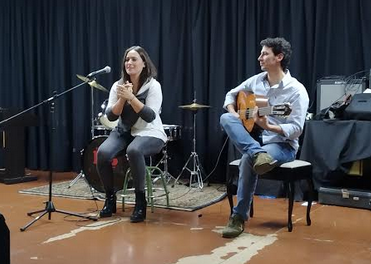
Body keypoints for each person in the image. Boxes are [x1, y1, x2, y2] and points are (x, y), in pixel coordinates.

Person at [219, 37, 309, 238]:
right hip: (256, 141)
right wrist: (235, 112)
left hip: (282, 146)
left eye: (265, 53)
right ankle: (257, 152)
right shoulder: (256, 80)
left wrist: (269, 126)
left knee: (247, 159)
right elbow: (230, 95)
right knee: (225, 118)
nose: (259, 57)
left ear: (279, 57)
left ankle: (238, 217)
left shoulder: (296, 90)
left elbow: (296, 129)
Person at [96, 46, 167, 222]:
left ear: (144, 63)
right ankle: (109, 199)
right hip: (124, 130)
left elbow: (150, 115)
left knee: (134, 150)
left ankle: (140, 203)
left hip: (150, 131)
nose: (129, 63)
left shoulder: (153, 86)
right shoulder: (117, 86)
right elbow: (112, 115)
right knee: (103, 153)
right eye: (127, 59)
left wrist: (132, 97)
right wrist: (122, 97)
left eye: (134, 59)